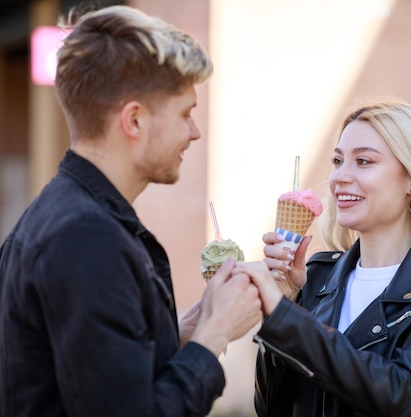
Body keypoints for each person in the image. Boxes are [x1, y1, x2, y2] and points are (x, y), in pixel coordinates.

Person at [0, 6, 262, 417]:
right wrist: (214, 337)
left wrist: (187, 331)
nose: (194, 132)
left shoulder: (66, 215)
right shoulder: (86, 238)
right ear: (134, 120)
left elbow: (99, 375)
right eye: (185, 114)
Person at [243, 100, 411, 417]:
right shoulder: (314, 276)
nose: (340, 177)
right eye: (337, 161)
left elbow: (400, 394)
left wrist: (286, 319)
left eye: (363, 161)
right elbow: (273, 408)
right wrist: (284, 302)